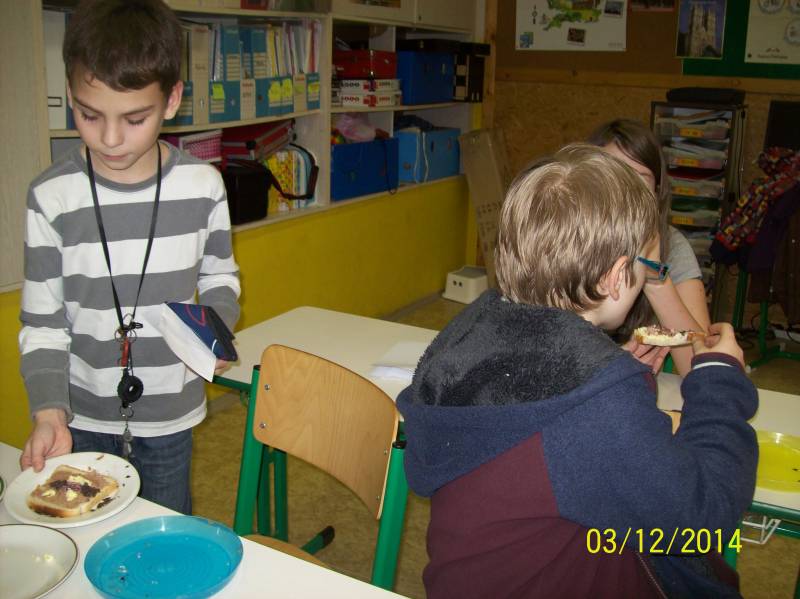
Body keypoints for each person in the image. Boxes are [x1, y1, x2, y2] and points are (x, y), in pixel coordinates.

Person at [398, 144, 757, 598]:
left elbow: (544, 430)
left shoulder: (470, 333)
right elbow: (704, 519)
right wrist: (719, 379)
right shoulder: (594, 402)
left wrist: (609, 373)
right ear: (616, 277)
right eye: (646, 267)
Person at [18, 0, 240, 515]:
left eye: (135, 118)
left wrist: (215, 328)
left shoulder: (203, 186)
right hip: (79, 417)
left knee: (162, 534)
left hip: (170, 414)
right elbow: (43, 324)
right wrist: (49, 412)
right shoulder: (52, 197)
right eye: (88, 114)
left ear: (172, 100)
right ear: (70, 94)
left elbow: (220, 276)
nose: (111, 139)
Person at [588, 118, 711, 376]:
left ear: (656, 192)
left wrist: (655, 278)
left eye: (639, 179)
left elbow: (702, 370)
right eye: (613, 174)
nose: (625, 192)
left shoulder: (673, 246)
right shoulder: (563, 243)